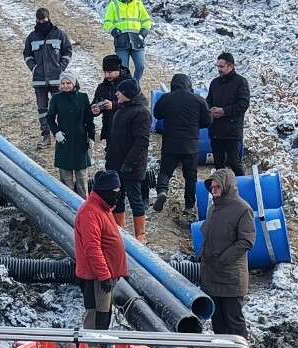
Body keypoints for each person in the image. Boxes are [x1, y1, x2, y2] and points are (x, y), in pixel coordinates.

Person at [198, 169, 256, 348]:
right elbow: (208, 234)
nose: (213, 192)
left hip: (231, 275)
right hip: (212, 273)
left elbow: (247, 241)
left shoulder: (242, 209)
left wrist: (224, 258)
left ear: (228, 186)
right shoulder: (214, 208)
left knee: (234, 318)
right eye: (211, 188)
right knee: (218, 318)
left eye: (217, 187)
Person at [74, 170, 128, 330]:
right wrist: (104, 276)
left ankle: (99, 347)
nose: (117, 196)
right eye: (115, 192)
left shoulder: (103, 207)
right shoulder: (90, 213)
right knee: (97, 317)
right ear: (105, 191)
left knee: (104, 315)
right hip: (96, 278)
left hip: (104, 275)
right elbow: (92, 248)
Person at [152, 73, 211, 213]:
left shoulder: (166, 98)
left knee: (165, 171)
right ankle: (189, 206)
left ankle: (162, 191)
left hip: (171, 143)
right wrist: (195, 125)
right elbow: (208, 121)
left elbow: (157, 114)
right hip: (191, 145)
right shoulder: (199, 100)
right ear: (189, 85)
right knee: (191, 176)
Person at [104, 78, 152, 242]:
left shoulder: (142, 113)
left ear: (128, 95)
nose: (116, 93)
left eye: (120, 91)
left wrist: (128, 164)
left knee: (135, 198)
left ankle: (140, 235)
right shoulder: (121, 110)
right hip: (116, 163)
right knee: (117, 198)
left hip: (132, 166)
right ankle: (119, 232)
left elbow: (141, 142)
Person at [23, 8, 73, 149]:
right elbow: (27, 55)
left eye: (44, 21)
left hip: (57, 79)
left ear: (49, 19)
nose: (42, 23)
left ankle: (63, 135)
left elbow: (68, 51)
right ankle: (46, 136)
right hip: (39, 80)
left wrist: (61, 67)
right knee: (42, 109)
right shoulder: (32, 37)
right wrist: (33, 68)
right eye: (39, 21)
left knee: (61, 107)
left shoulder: (60, 35)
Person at [46, 71, 95, 197]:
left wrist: (91, 137)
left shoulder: (83, 97)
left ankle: (83, 205)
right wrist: (56, 132)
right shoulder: (56, 98)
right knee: (66, 179)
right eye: (63, 83)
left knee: (82, 179)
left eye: (68, 83)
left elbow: (89, 119)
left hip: (80, 141)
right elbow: (50, 118)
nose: (65, 86)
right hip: (64, 141)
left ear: (74, 84)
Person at [206, 52, 250, 177]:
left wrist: (224, 111)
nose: (219, 69)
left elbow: (243, 104)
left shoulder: (241, 82)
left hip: (232, 131)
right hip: (216, 130)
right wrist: (210, 110)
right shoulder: (215, 83)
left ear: (231, 66)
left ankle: (244, 188)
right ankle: (222, 193)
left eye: (221, 67)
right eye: (217, 66)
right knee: (219, 165)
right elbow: (208, 100)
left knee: (234, 162)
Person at [102, 0, 152, 85]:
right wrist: (114, 31)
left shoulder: (138, 3)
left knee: (140, 66)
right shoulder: (114, 4)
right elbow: (107, 22)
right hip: (121, 40)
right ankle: (125, 88)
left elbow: (146, 20)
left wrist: (143, 33)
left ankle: (135, 85)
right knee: (123, 69)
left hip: (137, 40)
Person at [91, 55, 131, 146]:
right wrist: (96, 109)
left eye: (109, 72)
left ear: (118, 70)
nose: (106, 75)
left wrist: (114, 105)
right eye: (105, 72)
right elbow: (95, 103)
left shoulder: (130, 84)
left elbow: (138, 104)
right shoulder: (102, 87)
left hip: (127, 129)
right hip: (110, 129)